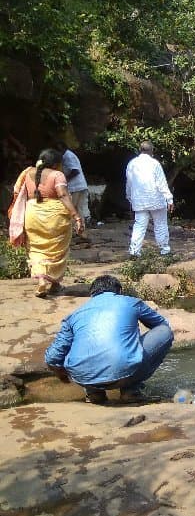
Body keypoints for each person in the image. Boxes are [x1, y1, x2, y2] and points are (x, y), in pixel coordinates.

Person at [45, 274, 173, 405]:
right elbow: (161, 324)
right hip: (125, 372)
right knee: (165, 332)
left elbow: (52, 357)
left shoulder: (74, 315)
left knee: (76, 344)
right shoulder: (130, 302)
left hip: (83, 378)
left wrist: (62, 374)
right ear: (119, 291)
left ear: (92, 295)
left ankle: (94, 393)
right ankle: (131, 391)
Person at [11, 149, 84, 297]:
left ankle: (42, 280)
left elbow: (16, 191)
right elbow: (63, 195)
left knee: (36, 249)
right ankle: (55, 284)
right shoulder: (57, 175)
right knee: (57, 251)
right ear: (57, 164)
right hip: (55, 217)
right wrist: (76, 216)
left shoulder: (27, 172)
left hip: (32, 214)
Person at [126, 140, 174, 257]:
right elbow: (161, 183)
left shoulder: (132, 164)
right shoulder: (155, 163)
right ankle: (164, 250)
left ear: (140, 150)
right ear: (152, 151)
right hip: (156, 200)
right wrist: (169, 198)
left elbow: (129, 183)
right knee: (161, 225)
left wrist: (129, 197)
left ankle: (134, 252)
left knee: (139, 226)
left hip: (139, 201)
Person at [61, 143, 91, 230]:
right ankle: (80, 231)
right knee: (78, 210)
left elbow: (75, 171)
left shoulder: (68, 156)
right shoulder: (68, 155)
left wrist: (64, 181)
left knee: (71, 209)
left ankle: (74, 231)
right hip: (80, 185)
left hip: (75, 187)